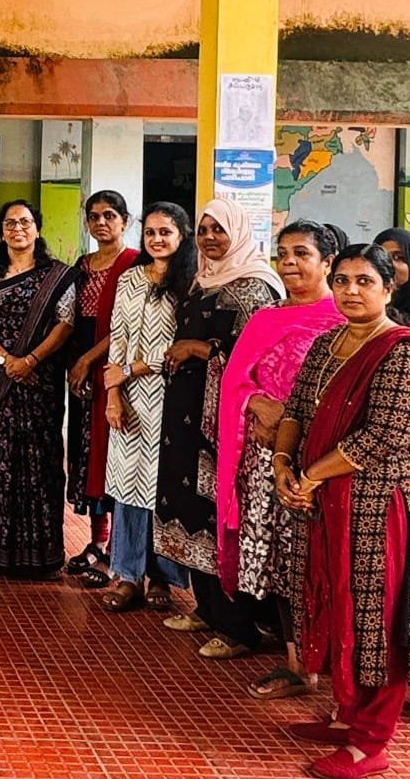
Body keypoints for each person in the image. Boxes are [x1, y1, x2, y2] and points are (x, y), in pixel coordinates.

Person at [274, 244, 410, 779]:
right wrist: (284, 464)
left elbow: (383, 436)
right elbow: (295, 411)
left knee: (376, 616)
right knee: (335, 603)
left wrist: (310, 476)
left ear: (388, 288)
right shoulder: (327, 344)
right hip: (323, 503)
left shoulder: (404, 351)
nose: (351, 291)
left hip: (378, 508)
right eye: (342, 280)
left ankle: (371, 742)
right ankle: (347, 715)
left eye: (364, 281)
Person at [217, 220, 345, 698]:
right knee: (280, 561)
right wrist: (255, 403)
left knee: (318, 559)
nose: (289, 263)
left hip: (324, 462)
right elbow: (235, 381)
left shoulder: (345, 319)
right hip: (266, 462)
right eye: (283, 253)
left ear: (327, 263)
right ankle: (296, 662)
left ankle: (329, 661)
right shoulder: (264, 319)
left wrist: (292, 422)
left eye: (301, 254)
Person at [154, 197, 283, 659]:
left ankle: (238, 626)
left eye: (219, 230)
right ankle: (207, 609)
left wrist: (197, 349)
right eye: (204, 230)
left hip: (225, 420)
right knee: (190, 504)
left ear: (239, 233)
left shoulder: (256, 288)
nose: (209, 238)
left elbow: (258, 359)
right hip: (186, 412)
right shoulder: (202, 280)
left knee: (220, 511)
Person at [0, 200, 78, 576]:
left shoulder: (57, 275)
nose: (18, 229)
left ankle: (41, 555)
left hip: (42, 377)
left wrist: (29, 360)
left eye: (25, 222)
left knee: (41, 459)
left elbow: (65, 323)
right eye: (10, 223)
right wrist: (5, 360)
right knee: (1, 454)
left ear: (37, 228)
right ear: (1, 231)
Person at [95, 201, 195, 611]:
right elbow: (117, 337)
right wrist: (113, 394)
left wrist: (131, 369)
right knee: (127, 485)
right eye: (150, 232)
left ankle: (163, 578)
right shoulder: (131, 278)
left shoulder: (193, 282)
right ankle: (127, 574)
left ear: (182, 236)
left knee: (162, 487)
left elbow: (179, 348)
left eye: (165, 232)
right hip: (130, 398)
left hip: (172, 397)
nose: (156, 239)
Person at [62, 190, 139, 587]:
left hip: (115, 366)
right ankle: (97, 542)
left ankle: (118, 553)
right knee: (86, 452)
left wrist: (88, 360)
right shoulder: (83, 265)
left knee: (114, 454)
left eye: (110, 215)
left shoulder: (135, 264)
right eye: (94, 217)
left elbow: (126, 324)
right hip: (81, 369)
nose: (101, 223)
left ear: (125, 220)